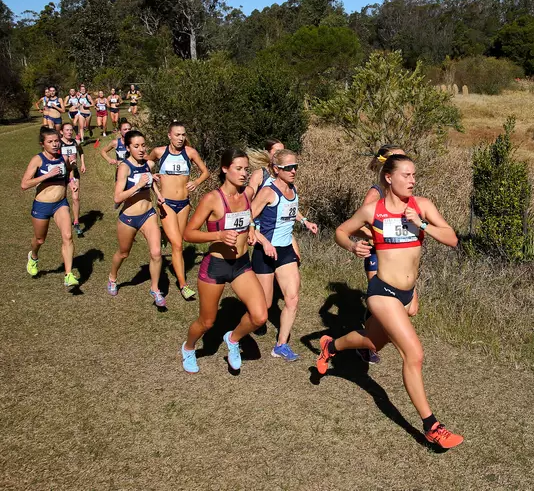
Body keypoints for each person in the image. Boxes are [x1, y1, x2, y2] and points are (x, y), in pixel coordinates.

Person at [317, 154, 463, 449]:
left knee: (372, 342)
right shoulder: (373, 211)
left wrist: (421, 223)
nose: (412, 180)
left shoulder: (422, 206)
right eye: (406, 175)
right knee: (414, 354)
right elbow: (341, 232)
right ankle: (431, 426)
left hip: (407, 294)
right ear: (388, 177)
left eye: (414, 176)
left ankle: (330, 346)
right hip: (382, 292)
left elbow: (452, 238)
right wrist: (352, 245)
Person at [180, 149, 267, 374]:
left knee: (260, 316)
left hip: (241, 265)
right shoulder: (212, 199)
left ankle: (233, 339)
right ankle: (188, 348)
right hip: (216, 266)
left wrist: (250, 231)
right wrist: (217, 235)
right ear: (225, 169)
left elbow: (247, 218)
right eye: (238, 168)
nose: (243, 173)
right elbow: (188, 233)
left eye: (246, 169)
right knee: (207, 322)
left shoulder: (247, 195)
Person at [250, 149, 318, 361]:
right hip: (265, 251)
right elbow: (248, 217)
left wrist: (304, 221)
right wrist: (264, 241)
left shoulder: (293, 188)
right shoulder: (268, 192)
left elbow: (292, 208)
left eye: (296, 166)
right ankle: (239, 332)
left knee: (292, 298)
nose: (294, 171)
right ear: (276, 169)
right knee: (265, 306)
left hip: (285, 249)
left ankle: (281, 345)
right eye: (289, 167)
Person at [354, 144, 408, 364]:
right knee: (380, 302)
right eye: (400, 159)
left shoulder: (401, 193)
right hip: (377, 254)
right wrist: (377, 237)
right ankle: (366, 345)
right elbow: (357, 224)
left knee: (399, 304)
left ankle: (373, 338)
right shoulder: (376, 192)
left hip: (396, 258)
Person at [148, 121, 209, 301]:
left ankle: (164, 232)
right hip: (166, 203)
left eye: (183, 135)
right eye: (177, 135)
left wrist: (196, 182)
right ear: (169, 136)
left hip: (184, 204)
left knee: (179, 239)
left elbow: (205, 172)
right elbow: (145, 166)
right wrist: (150, 175)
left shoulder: (190, 153)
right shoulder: (159, 152)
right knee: (177, 245)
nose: (181, 138)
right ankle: (183, 284)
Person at [107, 129, 167, 307]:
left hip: (148, 214)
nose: (141, 149)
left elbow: (150, 180)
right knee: (124, 252)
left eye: (143, 145)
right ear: (128, 147)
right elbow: (117, 197)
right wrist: (138, 185)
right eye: (136, 146)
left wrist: (158, 193)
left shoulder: (148, 165)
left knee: (156, 253)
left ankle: (155, 289)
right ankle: (112, 277)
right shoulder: (124, 167)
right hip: (129, 217)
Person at [20, 127, 77, 288]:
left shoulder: (63, 157)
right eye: (50, 142)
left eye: (57, 141)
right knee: (40, 239)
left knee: (67, 236)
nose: (55, 144)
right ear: (42, 144)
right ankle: (34, 256)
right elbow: (24, 184)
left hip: (61, 203)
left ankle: (68, 274)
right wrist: (47, 175)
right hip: (42, 205)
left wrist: (71, 180)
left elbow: (67, 173)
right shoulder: (37, 160)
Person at [59, 123, 87, 237]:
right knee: (62, 198)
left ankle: (76, 222)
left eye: (71, 130)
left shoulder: (76, 142)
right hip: (62, 174)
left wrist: (83, 164)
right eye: (67, 130)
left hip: (74, 173)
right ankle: (63, 220)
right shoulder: (58, 144)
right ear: (61, 132)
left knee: (76, 198)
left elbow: (81, 151)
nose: (70, 132)